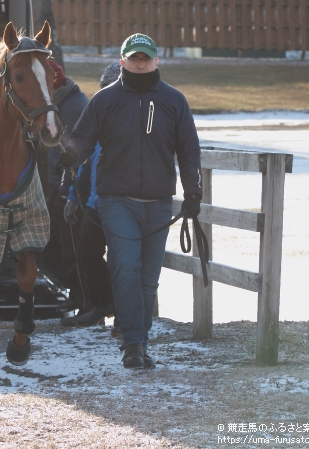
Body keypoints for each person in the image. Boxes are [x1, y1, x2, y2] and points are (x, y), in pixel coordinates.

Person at [67, 34, 202, 369]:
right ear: (123, 61)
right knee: (126, 269)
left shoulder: (174, 101)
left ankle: (139, 339)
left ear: (156, 61)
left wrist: (193, 192)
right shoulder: (104, 100)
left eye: (145, 58)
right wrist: (70, 153)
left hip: (159, 201)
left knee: (147, 278)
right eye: (134, 58)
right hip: (117, 200)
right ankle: (133, 344)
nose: (140, 64)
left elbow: (188, 150)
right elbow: (83, 138)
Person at [60, 62, 121, 328]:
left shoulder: (129, 122)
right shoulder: (98, 120)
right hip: (96, 204)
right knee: (86, 253)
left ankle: (119, 311)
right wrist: (74, 197)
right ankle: (102, 303)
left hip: (119, 202)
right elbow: (86, 166)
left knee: (123, 260)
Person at [35, 60, 89, 310]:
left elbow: (76, 154)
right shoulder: (66, 104)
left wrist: (68, 193)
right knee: (60, 246)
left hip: (70, 189)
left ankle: (83, 298)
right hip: (62, 186)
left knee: (71, 248)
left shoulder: (71, 109)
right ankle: (78, 295)